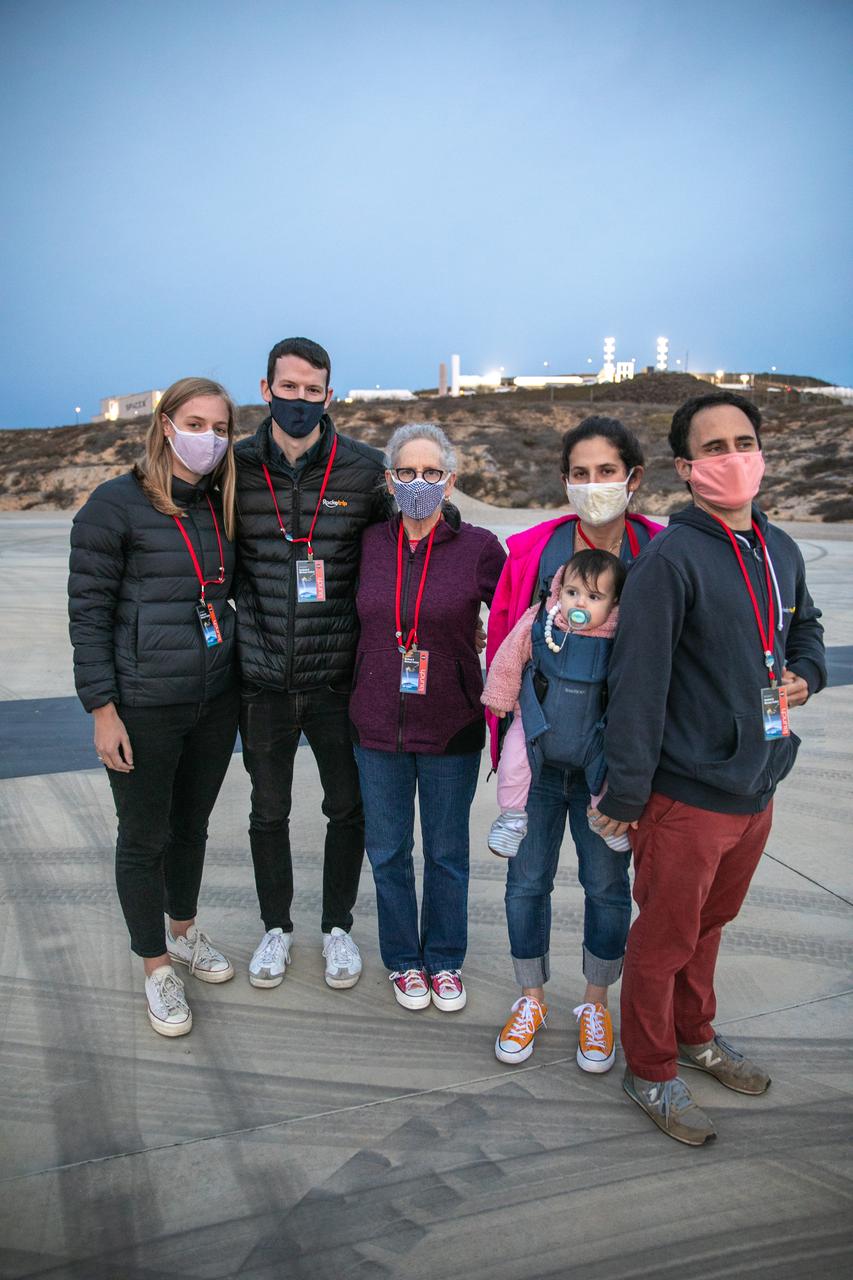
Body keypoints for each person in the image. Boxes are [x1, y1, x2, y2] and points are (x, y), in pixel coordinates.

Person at [593, 390, 826, 1145]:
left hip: (756, 785)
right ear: (687, 468)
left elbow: (807, 624)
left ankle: (696, 1038)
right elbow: (636, 685)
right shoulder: (668, 559)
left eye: (744, 441)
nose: (734, 457)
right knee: (662, 940)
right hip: (685, 797)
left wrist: (805, 672)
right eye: (715, 447)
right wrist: (627, 793)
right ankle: (651, 1071)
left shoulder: (777, 547)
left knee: (710, 926)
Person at [485, 417, 664, 1074]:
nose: (593, 486)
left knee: (605, 884)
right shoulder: (534, 552)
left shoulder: (660, 555)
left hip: (605, 768)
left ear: (633, 477)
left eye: (606, 472)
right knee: (525, 882)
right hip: (536, 759)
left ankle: (594, 1003)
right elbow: (507, 642)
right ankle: (530, 996)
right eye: (579, 474)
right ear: (565, 480)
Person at [69, 378, 240, 1037]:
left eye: (221, 429)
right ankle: (157, 968)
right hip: (142, 706)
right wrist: (101, 709)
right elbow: (88, 616)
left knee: (191, 827)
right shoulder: (114, 506)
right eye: (196, 423)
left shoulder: (217, 505)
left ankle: (186, 931)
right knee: (144, 837)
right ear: (165, 425)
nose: (209, 438)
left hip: (212, 700)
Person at [234, 337, 387, 992]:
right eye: (287, 387)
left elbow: (408, 532)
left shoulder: (363, 467)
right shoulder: (233, 467)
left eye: (312, 389)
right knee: (267, 809)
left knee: (344, 808)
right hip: (261, 677)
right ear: (266, 389)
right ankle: (276, 926)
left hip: (336, 679)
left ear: (331, 394)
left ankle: (336, 928)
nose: (300, 400)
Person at [349, 424, 506, 1012]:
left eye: (432, 473)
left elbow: (515, 617)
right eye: (407, 473)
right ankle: (403, 961)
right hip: (375, 725)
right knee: (388, 850)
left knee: (445, 853)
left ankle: (443, 959)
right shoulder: (367, 544)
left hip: (451, 726)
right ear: (390, 480)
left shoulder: (481, 548)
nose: (419, 483)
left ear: (450, 480)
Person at [483, 549, 628, 861]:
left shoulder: (621, 632)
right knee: (514, 762)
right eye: (572, 592)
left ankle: (602, 816)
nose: (579, 603)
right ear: (558, 590)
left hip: (593, 732)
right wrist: (500, 694)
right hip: (538, 724)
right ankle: (512, 818)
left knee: (607, 768)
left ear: (614, 602)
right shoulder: (543, 619)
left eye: (593, 596)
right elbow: (510, 655)